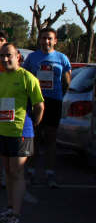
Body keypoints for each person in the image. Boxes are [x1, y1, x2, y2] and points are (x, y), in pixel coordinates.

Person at [0, 43, 44, 223]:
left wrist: (32, 127)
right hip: (4, 131)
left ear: (18, 57)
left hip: (22, 132)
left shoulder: (27, 78)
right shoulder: (1, 78)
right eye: (2, 56)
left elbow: (39, 106)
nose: (5, 59)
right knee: (7, 171)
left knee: (17, 172)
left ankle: (16, 216)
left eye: (9, 56)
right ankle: (9, 209)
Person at [22, 27, 71, 187]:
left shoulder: (62, 58)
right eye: (43, 38)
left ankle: (50, 173)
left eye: (49, 38)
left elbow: (67, 82)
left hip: (53, 102)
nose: (46, 41)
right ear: (39, 40)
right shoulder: (32, 58)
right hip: (35, 102)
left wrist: (61, 97)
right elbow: (25, 79)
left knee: (51, 138)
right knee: (33, 137)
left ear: (55, 40)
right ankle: (31, 172)